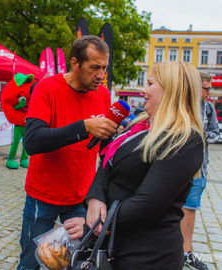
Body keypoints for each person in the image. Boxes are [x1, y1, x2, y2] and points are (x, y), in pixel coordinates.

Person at [65, 61, 205, 269]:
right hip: (117, 244)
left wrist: (94, 225)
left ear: (170, 90)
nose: (143, 90)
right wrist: (95, 197)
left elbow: (146, 204)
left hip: (146, 255)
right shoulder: (143, 125)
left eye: (149, 83)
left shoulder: (185, 139)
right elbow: (107, 163)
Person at [17, 35, 117, 270]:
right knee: (32, 262)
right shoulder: (47, 88)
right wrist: (84, 127)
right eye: (94, 68)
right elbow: (32, 141)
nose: (101, 75)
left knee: (75, 262)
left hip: (80, 198)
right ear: (75, 64)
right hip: (43, 197)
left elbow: (104, 150)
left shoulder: (102, 94)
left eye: (104, 67)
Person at [181, 72, 220, 270]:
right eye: (205, 88)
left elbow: (215, 133)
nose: (209, 92)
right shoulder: (180, 103)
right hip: (177, 165)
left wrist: (200, 135)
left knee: (191, 208)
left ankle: (186, 252)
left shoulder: (208, 108)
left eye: (210, 88)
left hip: (199, 167)